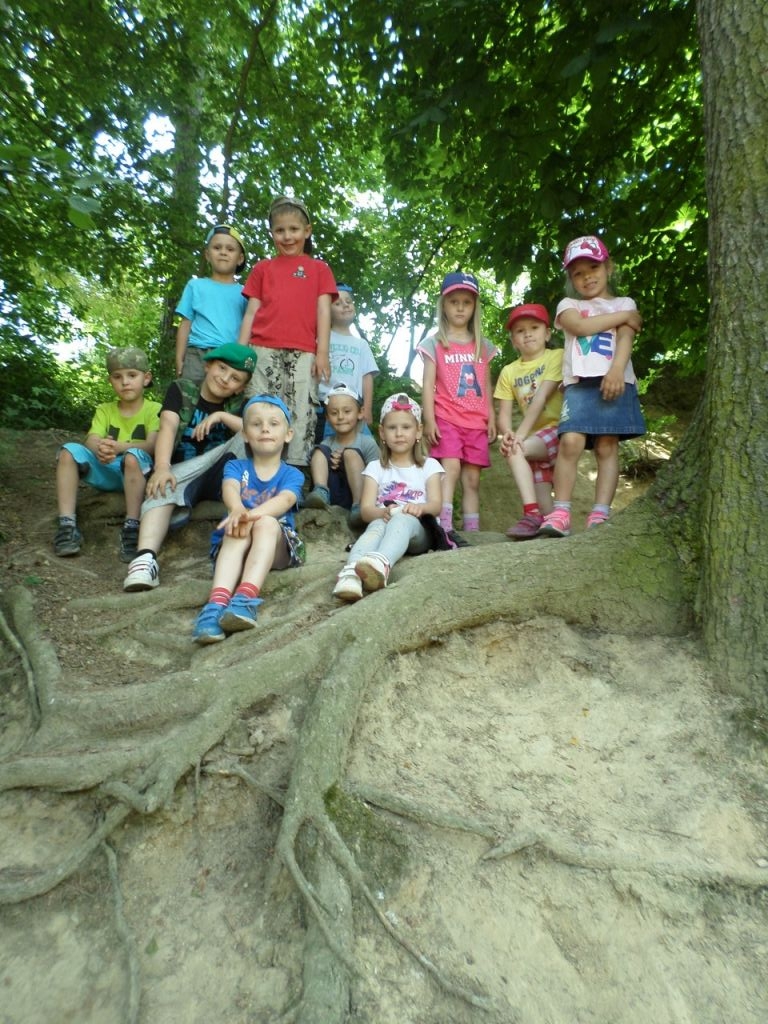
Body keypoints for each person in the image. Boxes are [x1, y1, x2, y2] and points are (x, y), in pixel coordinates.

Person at [122, 342, 255, 591]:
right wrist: (162, 467)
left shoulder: (241, 405)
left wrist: (221, 416)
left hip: (224, 474)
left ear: (241, 387)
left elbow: (257, 432)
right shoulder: (182, 389)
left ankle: (244, 551)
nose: (225, 379)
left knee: (248, 435)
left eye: (235, 378)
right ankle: (144, 560)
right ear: (208, 366)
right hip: (183, 471)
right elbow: (168, 426)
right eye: (222, 368)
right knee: (162, 485)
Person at [538, 235, 645, 538]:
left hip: (615, 381)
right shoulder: (569, 305)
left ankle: (600, 514)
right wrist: (625, 317)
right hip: (579, 384)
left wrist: (616, 370)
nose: (587, 277)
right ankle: (561, 512)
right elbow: (580, 327)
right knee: (570, 442)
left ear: (608, 267)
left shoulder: (625, 302)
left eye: (593, 268)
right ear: (571, 279)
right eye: (578, 273)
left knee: (607, 445)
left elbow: (625, 338)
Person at [192, 395, 305, 644]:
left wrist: (250, 515)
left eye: (273, 423)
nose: (265, 428)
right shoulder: (236, 467)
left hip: (276, 547)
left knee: (265, 522)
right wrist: (237, 509)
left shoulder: (293, 474)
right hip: (237, 545)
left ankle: (245, 599)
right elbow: (230, 488)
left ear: (288, 434)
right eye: (256, 424)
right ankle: (215, 605)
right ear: (244, 433)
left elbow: (285, 500)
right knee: (238, 526)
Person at [237, 195, 337, 469]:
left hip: (304, 352)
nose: (287, 236)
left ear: (307, 231)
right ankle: (254, 469)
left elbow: (324, 312)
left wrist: (322, 352)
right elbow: (251, 313)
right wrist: (240, 353)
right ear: (272, 233)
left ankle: (294, 472)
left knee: (300, 410)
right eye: (280, 230)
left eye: (294, 229)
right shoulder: (262, 268)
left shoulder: (319, 269)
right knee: (261, 410)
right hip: (262, 350)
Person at [332, 393, 444, 602]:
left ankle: (381, 563)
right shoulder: (375, 468)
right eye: (392, 428)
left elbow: (436, 505)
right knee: (375, 526)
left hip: (419, 531)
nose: (399, 433)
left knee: (402, 519)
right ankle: (351, 574)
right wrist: (382, 512)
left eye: (406, 427)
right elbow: (366, 510)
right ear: (382, 433)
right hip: (385, 522)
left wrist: (420, 508)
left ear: (418, 430)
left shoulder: (429, 466)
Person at [54, 346, 161, 562]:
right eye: (117, 377)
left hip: (137, 473)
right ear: (110, 380)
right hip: (107, 468)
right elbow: (91, 439)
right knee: (67, 452)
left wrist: (119, 447)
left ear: (146, 378)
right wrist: (101, 449)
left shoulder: (155, 409)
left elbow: (153, 445)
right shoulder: (105, 409)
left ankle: (132, 526)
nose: (125, 382)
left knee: (132, 457)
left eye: (132, 375)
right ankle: (67, 525)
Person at [418, 271, 497, 535]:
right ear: (444, 305)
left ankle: (473, 532)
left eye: (467, 302)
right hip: (447, 417)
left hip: (476, 421)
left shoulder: (483, 346)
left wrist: (491, 416)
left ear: (475, 307)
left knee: (472, 478)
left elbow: (486, 384)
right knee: (449, 469)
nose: (460, 308)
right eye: (454, 302)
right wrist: (429, 419)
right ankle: (444, 527)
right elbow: (427, 384)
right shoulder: (434, 343)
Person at [494, 303, 563, 539]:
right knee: (549, 515)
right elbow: (503, 413)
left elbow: (541, 398)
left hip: (559, 431)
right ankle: (545, 523)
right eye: (520, 331)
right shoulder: (509, 372)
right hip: (536, 438)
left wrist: (519, 437)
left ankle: (530, 513)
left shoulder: (557, 356)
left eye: (534, 327)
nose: (528, 334)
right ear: (513, 340)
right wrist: (508, 433)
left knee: (516, 450)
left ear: (547, 333)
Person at [175, 224, 249, 384]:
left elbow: (248, 327)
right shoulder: (195, 286)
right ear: (207, 255)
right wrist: (179, 359)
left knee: (223, 396)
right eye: (217, 247)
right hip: (196, 353)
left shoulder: (245, 293)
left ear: (240, 258)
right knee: (188, 393)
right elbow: (185, 324)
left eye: (230, 249)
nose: (223, 252)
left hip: (228, 357)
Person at [304, 383, 380, 526]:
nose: (340, 417)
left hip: (359, 493)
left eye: (347, 411)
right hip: (332, 493)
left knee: (350, 454)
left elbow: (379, 475)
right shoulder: (326, 444)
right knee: (319, 451)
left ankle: (359, 506)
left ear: (360, 412)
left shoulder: (367, 443)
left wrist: (346, 460)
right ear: (327, 417)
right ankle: (321, 491)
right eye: (334, 413)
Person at [315, 283, 378, 440]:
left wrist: (367, 408)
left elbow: (367, 377)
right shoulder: (320, 340)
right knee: (327, 447)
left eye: (348, 301)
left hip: (354, 407)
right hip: (326, 406)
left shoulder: (361, 344)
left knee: (362, 447)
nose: (345, 305)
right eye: (338, 303)